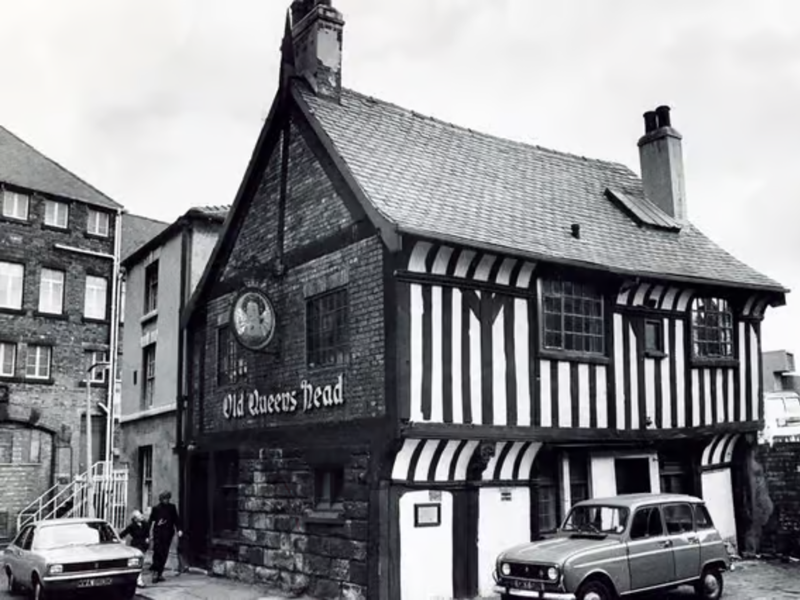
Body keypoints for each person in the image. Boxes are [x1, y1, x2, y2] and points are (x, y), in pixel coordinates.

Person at [147, 491, 183, 583]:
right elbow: (150, 521)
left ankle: (160, 573)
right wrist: (147, 534)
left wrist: (179, 530)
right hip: (158, 534)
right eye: (164, 499)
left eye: (167, 499)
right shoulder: (156, 508)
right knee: (157, 552)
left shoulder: (172, 508)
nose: (166, 500)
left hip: (168, 534)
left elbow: (176, 519)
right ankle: (155, 573)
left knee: (164, 553)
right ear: (161, 499)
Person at [119, 510, 149, 587]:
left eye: (141, 514)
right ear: (135, 518)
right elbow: (123, 534)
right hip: (136, 546)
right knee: (138, 563)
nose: (141, 516)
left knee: (141, 563)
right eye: (139, 516)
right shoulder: (132, 526)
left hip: (143, 545)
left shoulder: (145, 524)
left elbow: (147, 533)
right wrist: (119, 540)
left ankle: (137, 579)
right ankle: (139, 580)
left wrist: (147, 538)